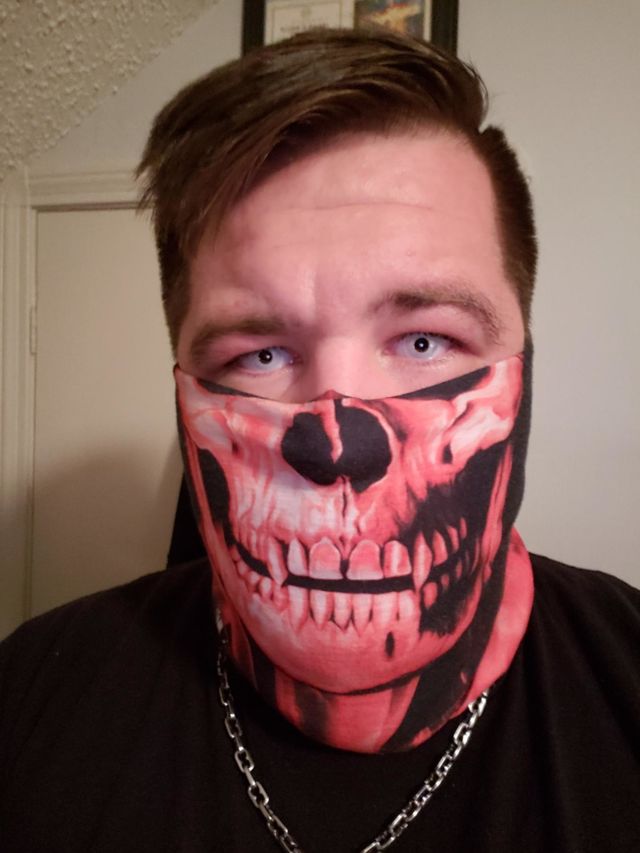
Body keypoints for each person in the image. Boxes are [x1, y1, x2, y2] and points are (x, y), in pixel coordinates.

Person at [0, 27, 638, 853]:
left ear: (524, 359)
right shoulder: (33, 698)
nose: (338, 443)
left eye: (425, 340)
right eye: (260, 355)